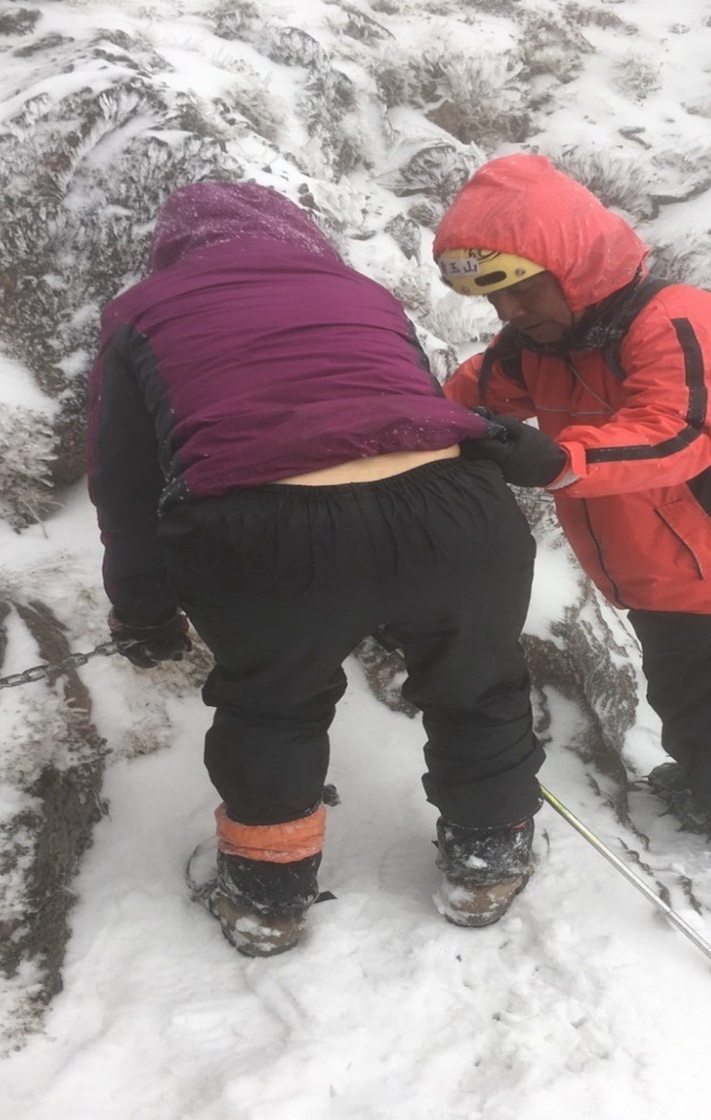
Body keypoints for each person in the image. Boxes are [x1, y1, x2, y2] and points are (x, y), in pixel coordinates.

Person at [87, 181, 544, 955]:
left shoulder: (141, 312)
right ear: (296, 233)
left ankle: (268, 898)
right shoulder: (355, 288)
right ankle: (487, 864)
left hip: (264, 532)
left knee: (272, 709)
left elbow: (125, 484)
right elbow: (402, 401)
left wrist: (144, 615)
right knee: (478, 684)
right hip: (456, 508)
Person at [433, 153, 711, 853]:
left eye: (523, 289)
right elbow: (467, 393)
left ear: (570, 266)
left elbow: (678, 432)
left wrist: (559, 460)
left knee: (701, 702)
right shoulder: (542, 344)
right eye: (495, 298)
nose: (509, 312)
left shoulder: (679, 320)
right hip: (675, 570)